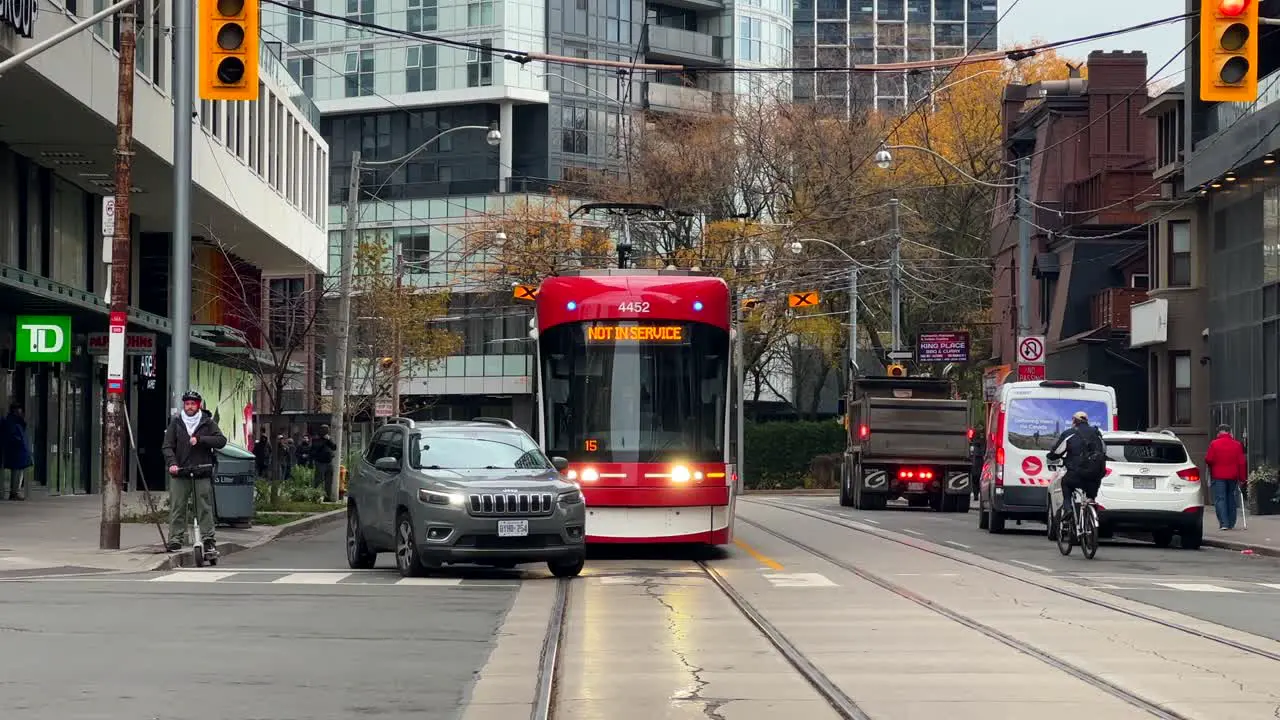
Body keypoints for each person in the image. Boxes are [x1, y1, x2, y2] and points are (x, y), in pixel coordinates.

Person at [162, 390, 227, 553]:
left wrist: (200, 440)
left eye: (193, 404)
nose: (190, 407)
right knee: (178, 507)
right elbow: (167, 446)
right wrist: (172, 463)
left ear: (199, 405)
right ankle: (175, 539)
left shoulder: (207, 422)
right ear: (184, 405)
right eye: (187, 404)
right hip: (180, 472)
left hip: (201, 471)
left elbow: (221, 441)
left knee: (204, 507)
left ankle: (208, 540)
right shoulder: (176, 423)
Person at [1046, 411, 1106, 533]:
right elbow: (1104, 450)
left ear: (1074, 421)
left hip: (1076, 473)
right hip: (1095, 474)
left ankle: (1067, 508)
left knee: (1066, 484)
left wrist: (1051, 456)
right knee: (1090, 493)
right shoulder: (1096, 433)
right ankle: (1091, 508)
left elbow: (1057, 452)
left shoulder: (1069, 434)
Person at [1205, 424, 1247, 531]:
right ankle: (1231, 522)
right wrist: (1242, 478)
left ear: (1219, 432)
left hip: (1218, 476)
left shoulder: (1214, 444)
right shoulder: (1237, 445)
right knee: (1231, 498)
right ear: (1229, 432)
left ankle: (1224, 523)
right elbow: (1241, 463)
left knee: (1220, 499)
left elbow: (1209, 459)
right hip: (1233, 476)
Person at [0, 402, 32, 500]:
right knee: (17, 471)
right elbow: (13, 435)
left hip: (18, 450)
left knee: (18, 471)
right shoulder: (12, 421)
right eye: (19, 409)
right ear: (15, 410)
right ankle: (14, 492)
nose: (21, 411)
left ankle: (15, 492)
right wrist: (19, 443)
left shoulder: (16, 421)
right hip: (16, 450)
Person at [311, 425, 337, 493]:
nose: (326, 432)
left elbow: (334, 447)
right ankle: (316, 494)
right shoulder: (316, 439)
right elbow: (317, 448)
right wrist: (325, 440)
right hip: (320, 462)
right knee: (318, 480)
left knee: (329, 480)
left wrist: (329, 440)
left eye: (327, 430)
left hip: (329, 462)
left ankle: (327, 496)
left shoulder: (328, 439)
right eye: (324, 430)